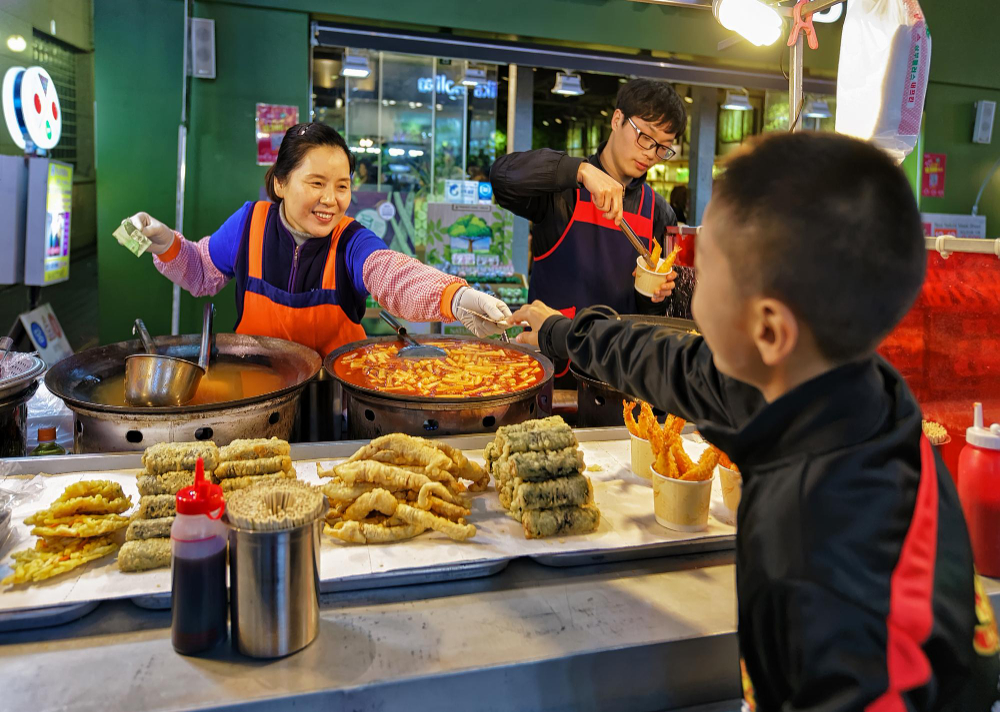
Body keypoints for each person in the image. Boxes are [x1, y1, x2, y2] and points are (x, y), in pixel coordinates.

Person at [512, 132, 1000, 711]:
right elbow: (671, 364)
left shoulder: (827, 551)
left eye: (707, 274)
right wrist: (560, 331)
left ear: (768, 329)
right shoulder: (833, 388)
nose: (691, 295)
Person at [127, 123, 509, 357]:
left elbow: (391, 274)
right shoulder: (248, 224)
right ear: (280, 182)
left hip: (334, 402)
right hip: (259, 397)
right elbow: (199, 273)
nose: (331, 199)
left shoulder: (350, 240)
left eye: (342, 186)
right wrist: (165, 244)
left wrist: (455, 298)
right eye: (316, 183)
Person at [490, 78, 686, 320]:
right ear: (617, 120)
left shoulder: (659, 212)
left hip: (617, 355)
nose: (650, 153)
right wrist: (580, 171)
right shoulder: (563, 191)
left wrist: (654, 295)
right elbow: (502, 178)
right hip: (554, 354)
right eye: (645, 136)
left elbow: (651, 314)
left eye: (662, 147)